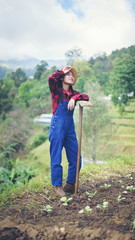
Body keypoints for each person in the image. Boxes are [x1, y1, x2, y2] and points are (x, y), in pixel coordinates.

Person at [48, 66, 89, 197]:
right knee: (56, 157)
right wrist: (61, 71)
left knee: (76, 157)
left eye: (73, 75)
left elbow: (86, 97)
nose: (71, 76)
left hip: (69, 128)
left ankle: (70, 184)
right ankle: (57, 186)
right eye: (68, 74)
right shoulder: (56, 91)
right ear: (62, 78)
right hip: (57, 127)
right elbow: (50, 79)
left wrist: (74, 98)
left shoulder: (73, 93)